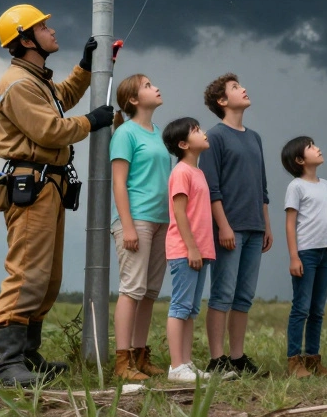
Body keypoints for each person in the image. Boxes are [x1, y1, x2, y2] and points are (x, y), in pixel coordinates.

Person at [0, 4, 114, 386]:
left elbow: (61, 98)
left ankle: (26, 355)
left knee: (47, 277)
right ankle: (6, 365)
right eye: (44, 27)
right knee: (28, 273)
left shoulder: (35, 79)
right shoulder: (18, 83)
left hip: (47, 184)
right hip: (33, 183)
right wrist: (92, 122)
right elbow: (50, 130)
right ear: (26, 39)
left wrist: (85, 66)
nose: (52, 30)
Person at [200, 73, 272, 376]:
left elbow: (263, 187)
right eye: (234, 87)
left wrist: (266, 225)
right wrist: (224, 226)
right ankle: (217, 360)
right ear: (222, 101)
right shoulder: (214, 136)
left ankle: (238, 357)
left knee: (244, 296)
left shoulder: (254, 137)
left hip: (255, 227)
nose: (243, 88)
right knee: (223, 293)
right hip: (229, 228)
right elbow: (211, 188)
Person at [109, 74, 170, 381]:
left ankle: (140, 355)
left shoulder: (160, 132)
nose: (155, 87)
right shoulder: (125, 133)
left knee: (149, 293)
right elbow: (118, 182)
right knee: (132, 289)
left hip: (162, 221)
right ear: (133, 100)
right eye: (148, 85)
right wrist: (128, 226)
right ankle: (122, 364)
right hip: (137, 220)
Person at [162, 117, 219, 383]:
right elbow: (180, 213)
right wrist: (192, 248)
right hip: (185, 251)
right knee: (180, 306)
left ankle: (185, 363)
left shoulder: (198, 172)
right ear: (183, 144)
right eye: (196, 130)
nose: (203, 132)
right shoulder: (182, 172)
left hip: (199, 251)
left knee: (191, 310)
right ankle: (176, 367)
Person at [281, 137, 327, 377]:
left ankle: (314, 360)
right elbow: (290, 224)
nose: (317, 148)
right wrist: (294, 257)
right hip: (306, 252)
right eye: (310, 147)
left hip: (326, 252)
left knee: (317, 310)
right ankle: (295, 362)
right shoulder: (296, 186)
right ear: (299, 160)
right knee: (301, 308)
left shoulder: (325, 185)